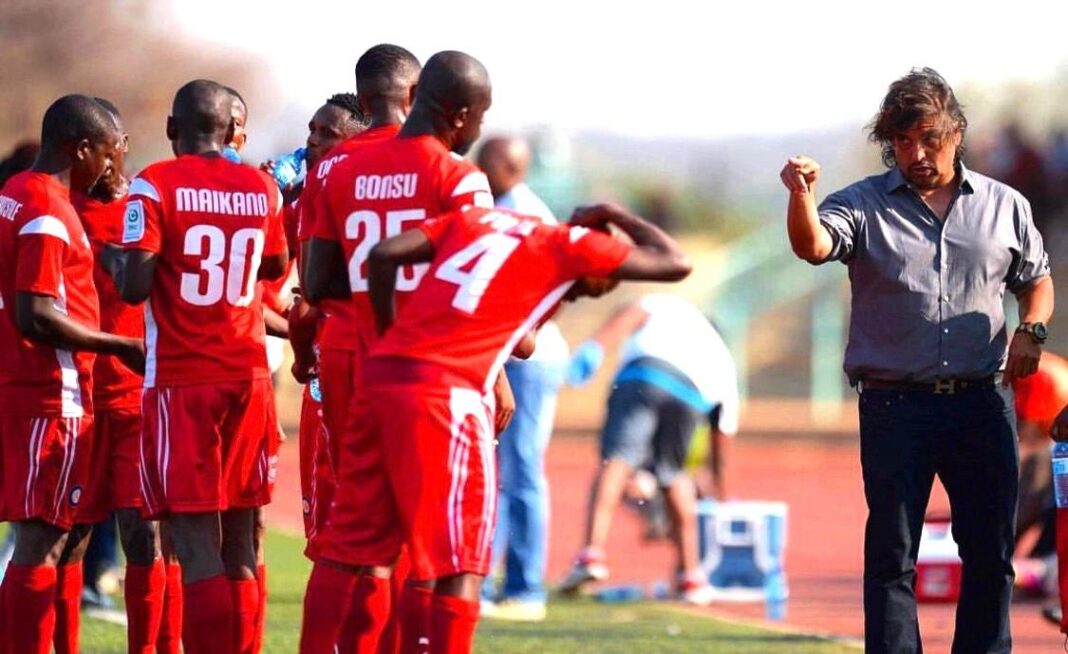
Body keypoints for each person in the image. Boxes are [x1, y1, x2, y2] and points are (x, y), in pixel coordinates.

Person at [300, 199, 691, 654]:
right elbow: (675, 262)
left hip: (382, 377)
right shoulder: (568, 246)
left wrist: (388, 335)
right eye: (582, 291)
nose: (571, 298)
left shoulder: (481, 220)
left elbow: (384, 255)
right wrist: (614, 211)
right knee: (459, 561)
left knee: (353, 548)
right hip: (448, 394)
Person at [780, 68, 1053, 653]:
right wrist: (800, 197)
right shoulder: (860, 203)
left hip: (981, 401)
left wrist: (1031, 329)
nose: (917, 152)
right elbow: (813, 246)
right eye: (903, 141)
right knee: (892, 554)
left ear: (955, 132)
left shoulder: (1004, 205)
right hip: (894, 404)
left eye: (929, 137)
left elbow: (1038, 280)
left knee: (989, 551)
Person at [303, 49, 496, 654]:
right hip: (434, 368)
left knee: (354, 526)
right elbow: (477, 286)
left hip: (352, 350)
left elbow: (315, 282)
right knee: (436, 531)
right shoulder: (457, 176)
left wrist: (368, 300)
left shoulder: (335, 167)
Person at [106, 79, 288, 654]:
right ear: (231, 129)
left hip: (182, 380)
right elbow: (276, 263)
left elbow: (135, 287)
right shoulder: (263, 187)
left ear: (170, 129)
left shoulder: (154, 184)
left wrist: (114, 258)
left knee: (193, 540)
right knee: (241, 540)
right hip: (250, 375)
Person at [0, 94, 142, 654]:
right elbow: (36, 314)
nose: (111, 168)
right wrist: (120, 345)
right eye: (106, 155)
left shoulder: (13, 194)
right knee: (42, 541)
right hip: (50, 393)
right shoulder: (46, 210)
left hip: (28, 388)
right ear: (80, 148)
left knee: (47, 538)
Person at [72, 98, 183, 652]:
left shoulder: (148, 207)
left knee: (146, 535)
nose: (108, 164)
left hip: (139, 398)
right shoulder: (61, 208)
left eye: (116, 150)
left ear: (123, 150)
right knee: (67, 534)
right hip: (75, 400)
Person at [557, 294, 739, 604]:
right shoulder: (724, 361)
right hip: (691, 396)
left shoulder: (676, 306)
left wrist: (595, 347)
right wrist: (720, 499)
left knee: (617, 461)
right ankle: (690, 576)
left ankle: (592, 554)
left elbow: (630, 313)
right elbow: (721, 447)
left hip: (645, 374)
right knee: (675, 474)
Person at [476, 135, 569, 622]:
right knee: (500, 473)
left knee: (521, 470)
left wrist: (519, 337)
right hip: (507, 353)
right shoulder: (499, 205)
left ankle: (525, 588)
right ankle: (489, 579)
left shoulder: (523, 215)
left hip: (527, 362)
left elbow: (554, 289)